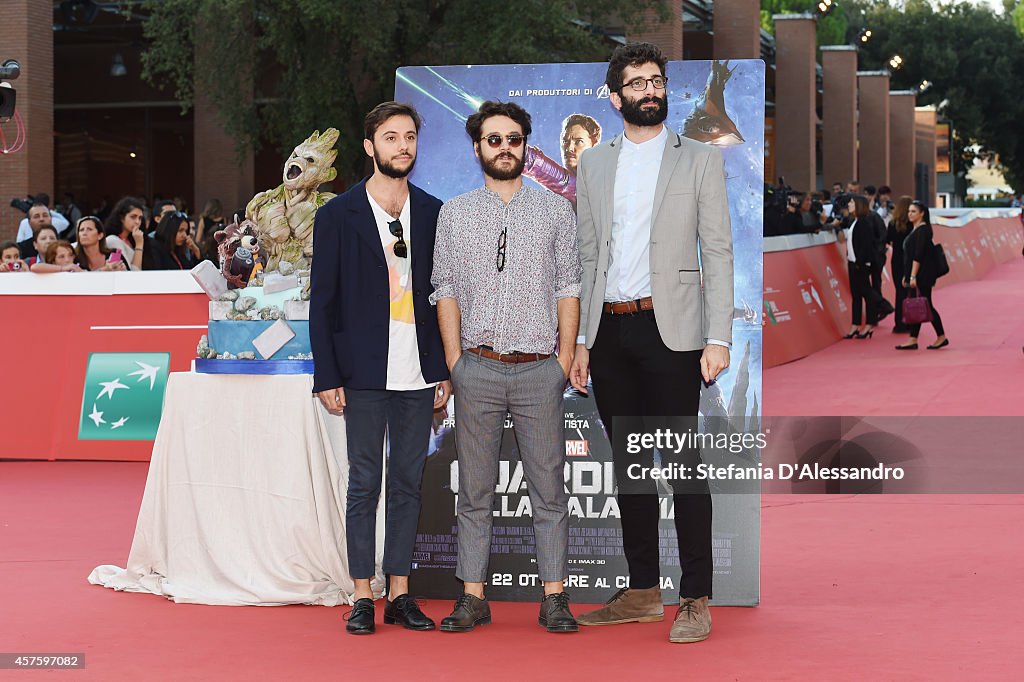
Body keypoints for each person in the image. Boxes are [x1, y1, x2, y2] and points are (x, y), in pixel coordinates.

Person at [570, 42, 734, 644]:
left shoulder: (699, 160)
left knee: (682, 463)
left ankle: (695, 596)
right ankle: (641, 591)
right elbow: (588, 255)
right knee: (630, 468)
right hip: (609, 331)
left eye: (656, 80)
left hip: (675, 335)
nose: (649, 89)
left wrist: (717, 337)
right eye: (636, 82)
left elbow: (717, 249)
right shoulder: (593, 164)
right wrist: (582, 340)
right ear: (615, 98)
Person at [430, 100, 582, 634]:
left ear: (525, 146)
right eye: (494, 140)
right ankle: (472, 596)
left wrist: (564, 358)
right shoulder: (455, 213)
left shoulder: (554, 211)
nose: (504, 148)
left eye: (513, 139)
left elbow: (568, 287)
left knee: (549, 489)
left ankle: (555, 596)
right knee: (474, 490)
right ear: (478, 148)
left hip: (541, 369)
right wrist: (454, 360)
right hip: (477, 369)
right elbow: (443, 290)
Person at [310, 101, 450, 635]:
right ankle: (362, 595)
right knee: (364, 483)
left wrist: (444, 366)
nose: (402, 147)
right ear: (370, 147)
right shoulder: (337, 215)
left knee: (409, 483)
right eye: (391, 138)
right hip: (363, 371)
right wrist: (327, 375)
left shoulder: (435, 212)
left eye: (410, 137)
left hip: (420, 370)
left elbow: (445, 298)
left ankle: (401, 593)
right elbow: (322, 302)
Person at [896, 201, 949, 350]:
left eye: (913, 211)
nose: (909, 214)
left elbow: (918, 256)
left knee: (926, 304)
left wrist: (912, 276)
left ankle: (941, 336)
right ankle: (913, 338)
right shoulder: (916, 230)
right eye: (909, 211)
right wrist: (907, 275)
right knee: (918, 303)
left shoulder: (922, 231)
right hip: (917, 274)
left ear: (922, 213)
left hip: (922, 275)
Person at [842, 194, 882, 339]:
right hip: (853, 263)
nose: (849, 205)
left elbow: (866, 245)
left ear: (858, 205)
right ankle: (855, 324)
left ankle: (870, 323)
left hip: (861, 264)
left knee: (866, 294)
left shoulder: (864, 222)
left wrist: (860, 262)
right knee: (856, 295)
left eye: (852, 202)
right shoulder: (855, 221)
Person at [887, 195, 913, 333]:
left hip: (896, 260)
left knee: (899, 291)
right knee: (910, 291)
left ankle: (899, 323)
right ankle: (910, 321)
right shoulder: (912, 224)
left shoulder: (893, 224)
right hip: (910, 260)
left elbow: (887, 240)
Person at [103, 197, 146, 270]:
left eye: (140, 218)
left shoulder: (131, 240)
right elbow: (134, 272)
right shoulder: (113, 240)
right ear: (121, 218)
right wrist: (139, 245)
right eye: (133, 217)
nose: (137, 222)